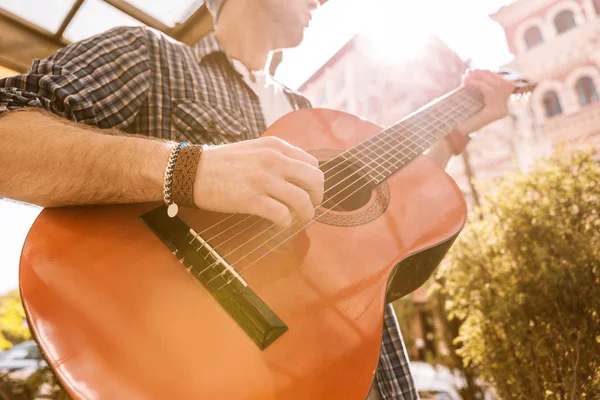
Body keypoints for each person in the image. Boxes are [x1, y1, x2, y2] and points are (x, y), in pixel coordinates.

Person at [0, 0, 515, 398]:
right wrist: (191, 169)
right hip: (201, 369)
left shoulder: (311, 113)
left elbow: (389, 233)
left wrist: (453, 132)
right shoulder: (151, 58)